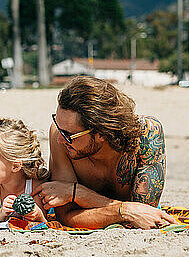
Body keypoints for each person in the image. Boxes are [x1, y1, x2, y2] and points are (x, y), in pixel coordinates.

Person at [32, 76, 177, 229]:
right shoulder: (59, 135)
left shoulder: (147, 135)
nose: (61, 139)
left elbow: (143, 215)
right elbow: (67, 216)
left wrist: (78, 193)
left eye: (69, 135)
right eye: (57, 123)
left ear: (101, 133)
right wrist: (125, 210)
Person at [0, 118, 48, 222]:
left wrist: (37, 214)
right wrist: (1, 212)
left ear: (15, 166)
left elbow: (43, 221)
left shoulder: (34, 184)